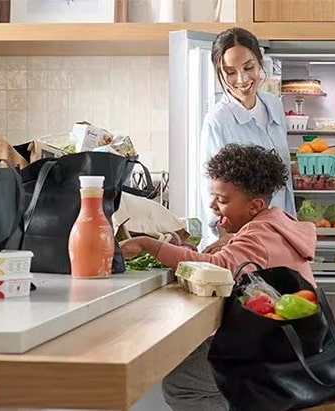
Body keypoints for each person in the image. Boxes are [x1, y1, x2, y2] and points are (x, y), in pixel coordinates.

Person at [120, 144, 316, 411]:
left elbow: (219, 268)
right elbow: (245, 260)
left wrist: (150, 245)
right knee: (195, 358)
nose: (213, 206)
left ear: (254, 206)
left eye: (222, 200)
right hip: (295, 346)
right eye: (213, 197)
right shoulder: (274, 224)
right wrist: (231, 239)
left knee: (184, 381)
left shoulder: (260, 235)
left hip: (280, 357)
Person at [200, 27, 296, 254]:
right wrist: (224, 236)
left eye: (249, 67)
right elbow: (212, 189)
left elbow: (278, 169)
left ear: (260, 61)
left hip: (283, 231)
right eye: (230, 72)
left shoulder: (273, 105)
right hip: (246, 240)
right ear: (220, 74)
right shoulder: (218, 119)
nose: (242, 79)